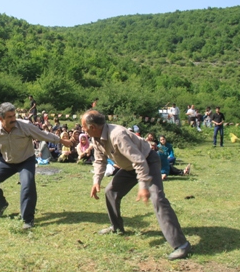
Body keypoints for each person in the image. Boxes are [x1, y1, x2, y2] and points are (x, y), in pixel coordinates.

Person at [81, 110, 191, 260]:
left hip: (148, 162)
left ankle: (181, 245)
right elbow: (100, 161)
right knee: (110, 192)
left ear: (93, 126)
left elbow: (139, 161)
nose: (83, 130)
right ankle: (116, 227)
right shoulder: (96, 138)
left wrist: (143, 185)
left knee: (157, 198)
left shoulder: (117, 135)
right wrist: (96, 181)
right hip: (129, 168)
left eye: (84, 127)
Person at [0, 102, 72, 230]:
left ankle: (28, 219)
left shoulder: (25, 126)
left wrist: (62, 140)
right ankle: (1, 205)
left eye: (14, 116)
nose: (13, 119)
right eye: (9, 117)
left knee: (27, 185)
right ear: (1, 118)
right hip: (7, 162)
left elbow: (43, 134)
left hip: (26, 160)